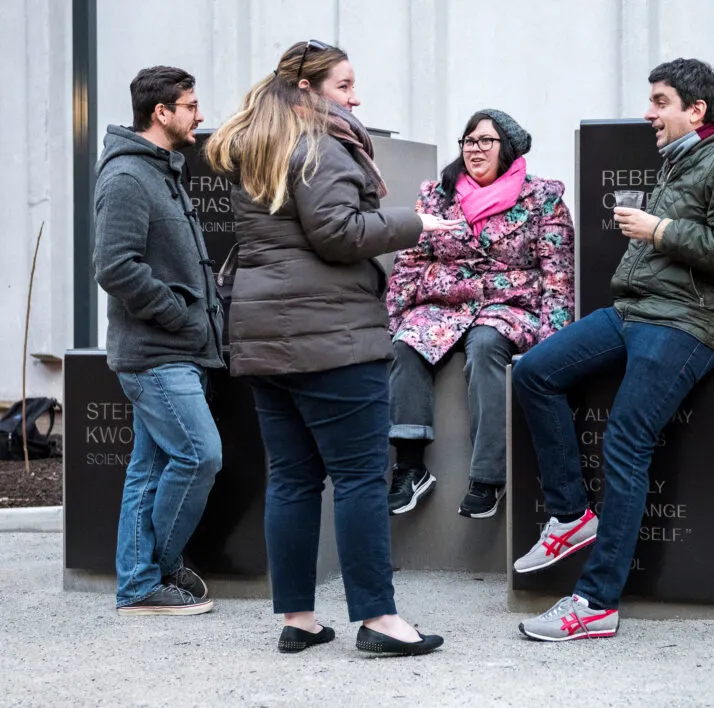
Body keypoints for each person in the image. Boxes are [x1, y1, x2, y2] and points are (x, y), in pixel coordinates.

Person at [205, 40, 453, 655]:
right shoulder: (320, 146)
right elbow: (339, 234)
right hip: (331, 338)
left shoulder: (260, 146)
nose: (355, 96)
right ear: (309, 89)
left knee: (291, 480)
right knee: (362, 479)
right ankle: (379, 620)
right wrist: (417, 222)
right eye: (344, 85)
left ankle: (298, 617)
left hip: (266, 335)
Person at [511, 58, 714, 641]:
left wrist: (658, 230)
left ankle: (595, 603)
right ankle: (571, 516)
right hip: (634, 311)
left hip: (690, 322)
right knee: (533, 372)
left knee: (626, 438)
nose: (649, 113)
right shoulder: (681, 160)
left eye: (660, 102)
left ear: (695, 109)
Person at [386, 110, 575, 519]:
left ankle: (488, 478)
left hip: (509, 306)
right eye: (469, 141)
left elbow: (557, 275)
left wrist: (554, 344)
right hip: (444, 304)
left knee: (488, 344)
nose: (475, 149)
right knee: (405, 344)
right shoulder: (437, 194)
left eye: (485, 141)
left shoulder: (542, 197)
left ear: (506, 148)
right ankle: (410, 467)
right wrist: (395, 316)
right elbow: (411, 260)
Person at [93, 66, 224, 616]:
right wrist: (178, 315)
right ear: (161, 113)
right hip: (155, 353)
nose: (199, 115)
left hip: (174, 350)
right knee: (200, 455)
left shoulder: (161, 170)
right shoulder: (127, 177)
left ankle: (138, 585)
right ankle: (157, 571)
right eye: (191, 106)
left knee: (148, 470)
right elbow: (114, 266)